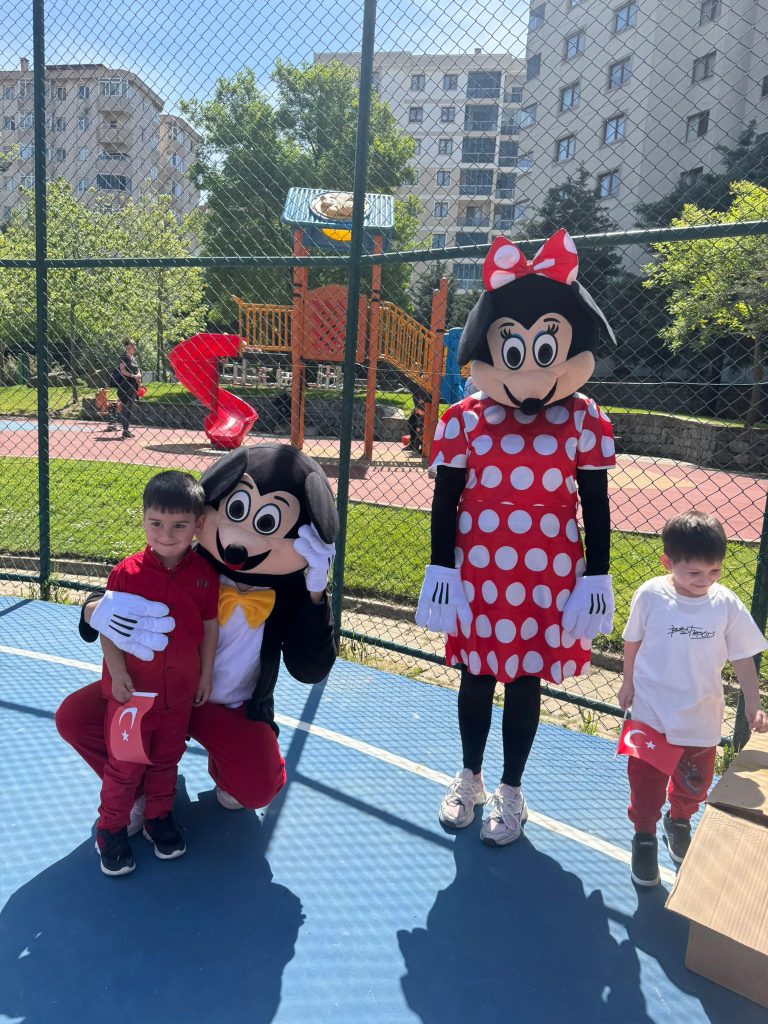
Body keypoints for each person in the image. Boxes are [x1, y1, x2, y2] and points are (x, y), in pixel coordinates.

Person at [416, 230, 617, 846]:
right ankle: (470, 777)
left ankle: (511, 789)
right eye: (513, 348)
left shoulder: (584, 420)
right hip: (479, 571)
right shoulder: (463, 420)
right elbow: (446, 498)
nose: (531, 367)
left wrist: (598, 574)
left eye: (546, 349)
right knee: (476, 675)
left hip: (546, 573)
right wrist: (441, 567)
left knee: (526, 679)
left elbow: (595, 501)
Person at [55, 445, 338, 845]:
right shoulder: (191, 562)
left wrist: (316, 594)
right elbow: (131, 583)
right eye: (235, 512)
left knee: (257, 787)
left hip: (226, 705)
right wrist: (92, 609)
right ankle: (138, 786)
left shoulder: (290, 592)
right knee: (74, 717)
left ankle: (221, 770)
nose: (239, 540)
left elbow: (310, 668)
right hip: (155, 691)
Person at [618, 510, 768, 887]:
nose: (705, 580)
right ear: (667, 562)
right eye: (694, 573)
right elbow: (632, 641)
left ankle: (679, 820)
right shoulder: (650, 595)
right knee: (645, 782)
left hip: (701, 717)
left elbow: (743, 657)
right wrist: (627, 682)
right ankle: (644, 835)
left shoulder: (725, 603)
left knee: (694, 784)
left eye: (714, 571)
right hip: (651, 712)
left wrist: (753, 701)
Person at [94, 470, 220, 876]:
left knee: (167, 760)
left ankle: (158, 818)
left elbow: (210, 626)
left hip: (178, 695)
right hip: (132, 698)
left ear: (198, 524)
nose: (167, 534)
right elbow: (108, 627)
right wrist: (117, 673)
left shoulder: (204, 575)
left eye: (180, 525)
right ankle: (111, 829)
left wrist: (205, 675)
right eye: (156, 523)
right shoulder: (125, 574)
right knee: (125, 767)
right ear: (144, 519)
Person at [114, 340, 141, 439]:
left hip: (134, 386)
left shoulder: (134, 358)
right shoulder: (123, 357)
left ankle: (126, 430)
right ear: (126, 347)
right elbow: (122, 371)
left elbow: (138, 370)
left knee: (130, 407)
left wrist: (138, 376)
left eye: (134, 345)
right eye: (131, 345)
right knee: (125, 407)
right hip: (125, 385)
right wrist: (133, 376)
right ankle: (125, 430)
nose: (133, 347)